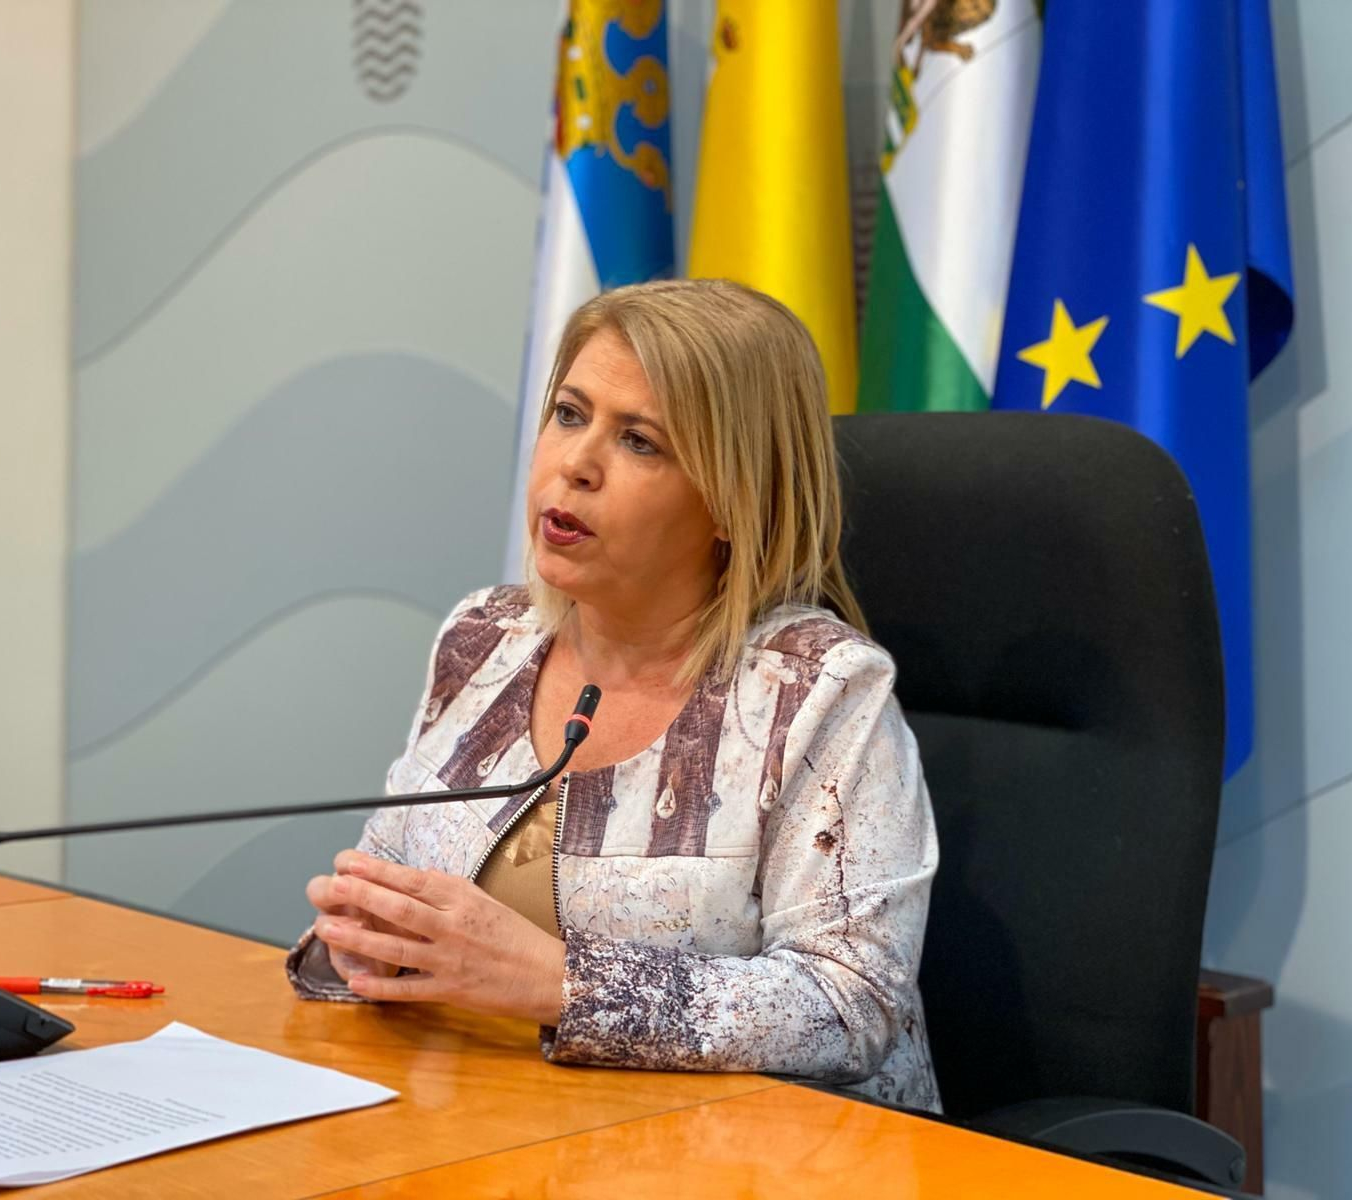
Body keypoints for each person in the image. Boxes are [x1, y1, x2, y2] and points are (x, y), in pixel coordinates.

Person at [288, 278, 940, 1111]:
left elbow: (853, 1007)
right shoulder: (485, 637)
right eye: (569, 413)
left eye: (640, 442)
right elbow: (389, 894)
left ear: (735, 503)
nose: (575, 465)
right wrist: (359, 945)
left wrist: (558, 983)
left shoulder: (820, 693)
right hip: (489, 1131)